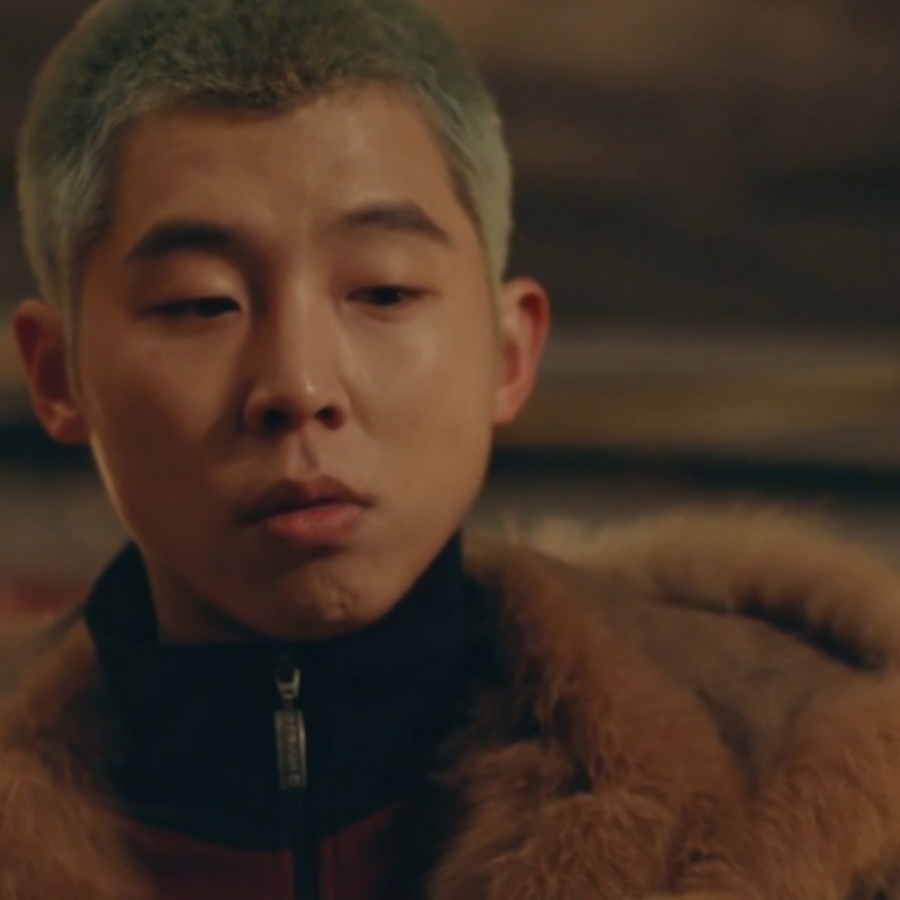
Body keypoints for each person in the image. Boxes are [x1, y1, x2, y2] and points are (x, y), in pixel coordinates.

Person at [6, 0, 900, 897]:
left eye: (384, 292)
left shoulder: (818, 789)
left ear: (509, 355)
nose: (301, 386)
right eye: (201, 302)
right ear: (58, 375)